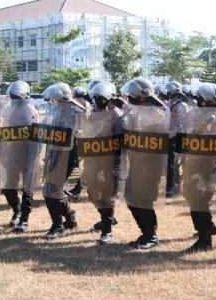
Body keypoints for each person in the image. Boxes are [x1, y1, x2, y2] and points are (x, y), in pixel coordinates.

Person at [178, 83, 216, 252]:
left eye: (200, 96)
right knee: (189, 193)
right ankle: (208, 226)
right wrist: (197, 130)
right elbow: (186, 132)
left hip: (211, 161)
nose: (197, 99)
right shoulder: (194, 111)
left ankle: (205, 239)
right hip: (194, 157)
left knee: (200, 197)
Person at [120, 77, 170, 249]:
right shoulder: (136, 109)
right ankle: (145, 232)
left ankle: (151, 236)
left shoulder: (157, 112)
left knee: (144, 199)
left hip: (151, 163)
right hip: (136, 160)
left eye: (133, 94)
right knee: (131, 197)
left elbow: (161, 137)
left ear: (142, 95)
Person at [38, 83, 87, 240]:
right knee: (54, 189)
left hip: (67, 154)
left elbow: (83, 127)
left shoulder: (77, 111)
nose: (52, 101)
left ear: (62, 98)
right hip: (54, 152)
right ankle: (70, 218)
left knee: (50, 189)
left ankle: (58, 226)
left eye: (55, 98)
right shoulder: (56, 109)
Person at [77, 82, 124, 244]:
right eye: (95, 97)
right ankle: (107, 217)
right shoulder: (91, 113)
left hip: (111, 160)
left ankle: (107, 231)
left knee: (106, 194)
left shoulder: (116, 114)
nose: (97, 100)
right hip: (93, 158)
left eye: (101, 97)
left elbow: (123, 137)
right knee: (91, 191)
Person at [0, 80, 39, 233]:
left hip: (27, 152)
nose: (14, 100)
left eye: (17, 97)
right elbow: (2, 125)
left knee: (27, 188)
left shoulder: (31, 110)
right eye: (12, 96)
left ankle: (24, 220)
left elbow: (36, 131)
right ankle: (17, 211)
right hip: (11, 152)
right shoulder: (6, 109)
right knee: (8, 185)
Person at [165, 81, 188, 197]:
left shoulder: (181, 106)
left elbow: (182, 125)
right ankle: (168, 186)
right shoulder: (168, 104)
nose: (168, 92)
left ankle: (174, 187)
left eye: (170, 90)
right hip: (168, 136)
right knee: (168, 162)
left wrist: (170, 134)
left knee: (174, 163)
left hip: (177, 137)